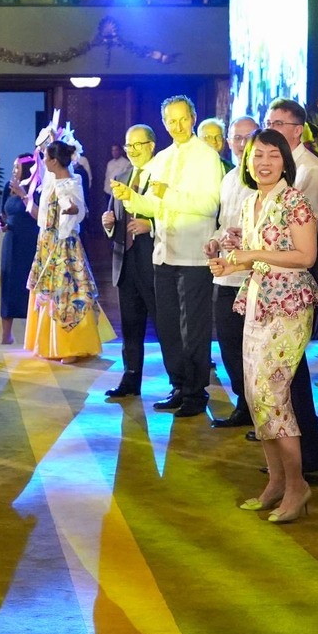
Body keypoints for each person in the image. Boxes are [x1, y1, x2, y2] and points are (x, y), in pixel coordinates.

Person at [211, 129, 318, 523]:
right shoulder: (251, 202)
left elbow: (305, 257)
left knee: (273, 395)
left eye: (273, 155)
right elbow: (256, 258)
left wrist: (249, 254)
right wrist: (231, 264)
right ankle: (276, 481)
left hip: (289, 306)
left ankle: (297, 486)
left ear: (285, 161)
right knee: (256, 396)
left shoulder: (294, 200)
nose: (264, 163)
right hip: (257, 302)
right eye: (257, 155)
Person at [112, 97, 221, 417]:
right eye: (171, 121)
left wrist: (167, 195)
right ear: (164, 124)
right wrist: (131, 199)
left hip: (194, 254)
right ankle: (178, 385)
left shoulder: (206, 156)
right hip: (163, 253)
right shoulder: (162, 158)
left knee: (193, 328)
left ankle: (196, 392)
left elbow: (210, 206)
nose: (178, 126)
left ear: (193, 118)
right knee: (169, 326)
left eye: (183, 119)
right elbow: (153, 206)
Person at [260, 100, 318, 474]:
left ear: (297, 130)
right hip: (275, 278)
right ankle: (292, 458)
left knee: (290, 373)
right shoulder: (282, 174)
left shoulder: (309, 173)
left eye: (278, 123)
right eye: (268, 122)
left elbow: (301, 241)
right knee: (281, 373)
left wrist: (252, 250)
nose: (270, 128)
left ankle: (305, 458)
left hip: (300, 278)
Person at [24, 142, 103, 361]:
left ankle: (70, 347)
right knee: (48, 290)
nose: (43, 162)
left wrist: (71, 209)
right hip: (47, 241)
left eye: (46, 158)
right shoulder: (51, 181)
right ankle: (48, 344)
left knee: (66, 293)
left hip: (64, 244)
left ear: (54, 161)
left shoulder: (72, 182)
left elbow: (78, 209)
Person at [208, 115, 261, 425]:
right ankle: (243, 402)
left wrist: (244, 239)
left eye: (248, 137)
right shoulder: (228, 178)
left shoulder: (262, 177)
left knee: (252, 346)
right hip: (226, 273)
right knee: (229, 344)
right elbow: (223, 223)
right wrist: (214, 242)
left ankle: (257, 408)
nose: (241, 144)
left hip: (252, 274)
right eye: (237, 138)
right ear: (228, 141)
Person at [101, 125, 158, 400]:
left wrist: (151, 225)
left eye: (138, 145)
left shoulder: (162, 176)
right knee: (130, 326)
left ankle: (181, 384)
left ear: (151, 146)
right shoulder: (121, 178)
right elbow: (114, 217)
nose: (132, 150)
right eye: (128, 145)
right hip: (125, 261)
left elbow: (174, 215)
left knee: (165, 326)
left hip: (154, 262)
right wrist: (109, 224)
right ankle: (130, 378)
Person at [0, 155, 38, 346]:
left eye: (17, 168)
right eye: (13, 167)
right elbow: (3, 214)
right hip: (11, 240)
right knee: (8, 285)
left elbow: (39, 215)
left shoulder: (36, 188)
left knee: (28, 285)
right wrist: (1, 223)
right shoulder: (9, 187)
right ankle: (6, 335)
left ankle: (33, 334)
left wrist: (23, 194)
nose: (14, 171)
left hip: (29, 241)